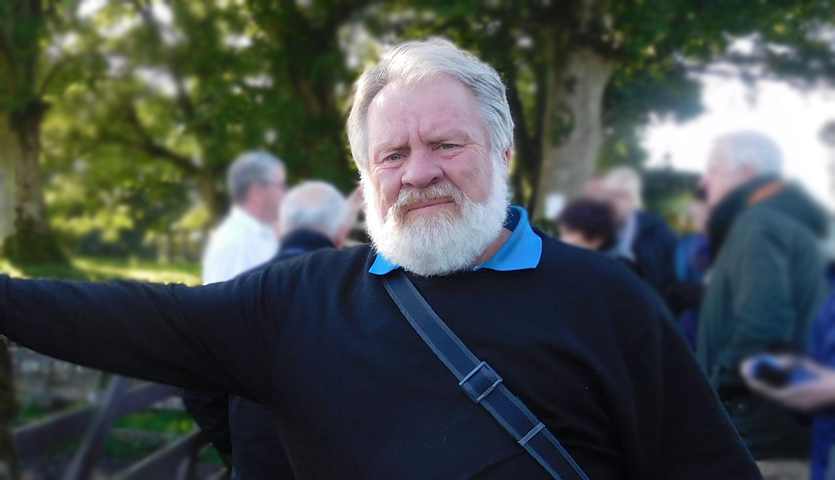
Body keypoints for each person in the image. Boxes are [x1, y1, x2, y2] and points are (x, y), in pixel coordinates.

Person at [0, 40, 760, 479]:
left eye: (445, 144)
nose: (417, 171)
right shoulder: (294, 303)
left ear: (501, 152)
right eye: (391, 154)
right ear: (364, 180)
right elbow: (131, 317)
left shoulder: (607, 298)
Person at [186, 181, 355, 479]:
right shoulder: (363, 291)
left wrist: (235, 445)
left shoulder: (238, 291)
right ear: (340, 233)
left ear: (280, 230)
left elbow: (197, 389)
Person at [697, 130, 829, 479]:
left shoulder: (758, 223)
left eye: (715, 168)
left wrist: (713, 390)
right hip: (778, 429)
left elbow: (761, 329)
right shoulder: (789, 222)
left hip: (755, 435)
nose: (705, 181)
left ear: (747, 172)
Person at [202, 152, 286, 285]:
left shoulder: (264, 234)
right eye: (280, 185)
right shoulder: (235, 243)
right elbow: (225, 303)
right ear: (257, 192)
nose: (285, 191)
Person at [595, 167, 678, 298]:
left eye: (620, 195)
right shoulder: (591, 229)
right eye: (608, 194)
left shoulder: (656, 232)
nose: (611, 200)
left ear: (633, 199)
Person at [667, 187, 712, 350]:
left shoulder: (730, 243)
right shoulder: (685, 244)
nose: (698, 220)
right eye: (696, 215)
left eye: (703, 214)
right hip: (685, 333)